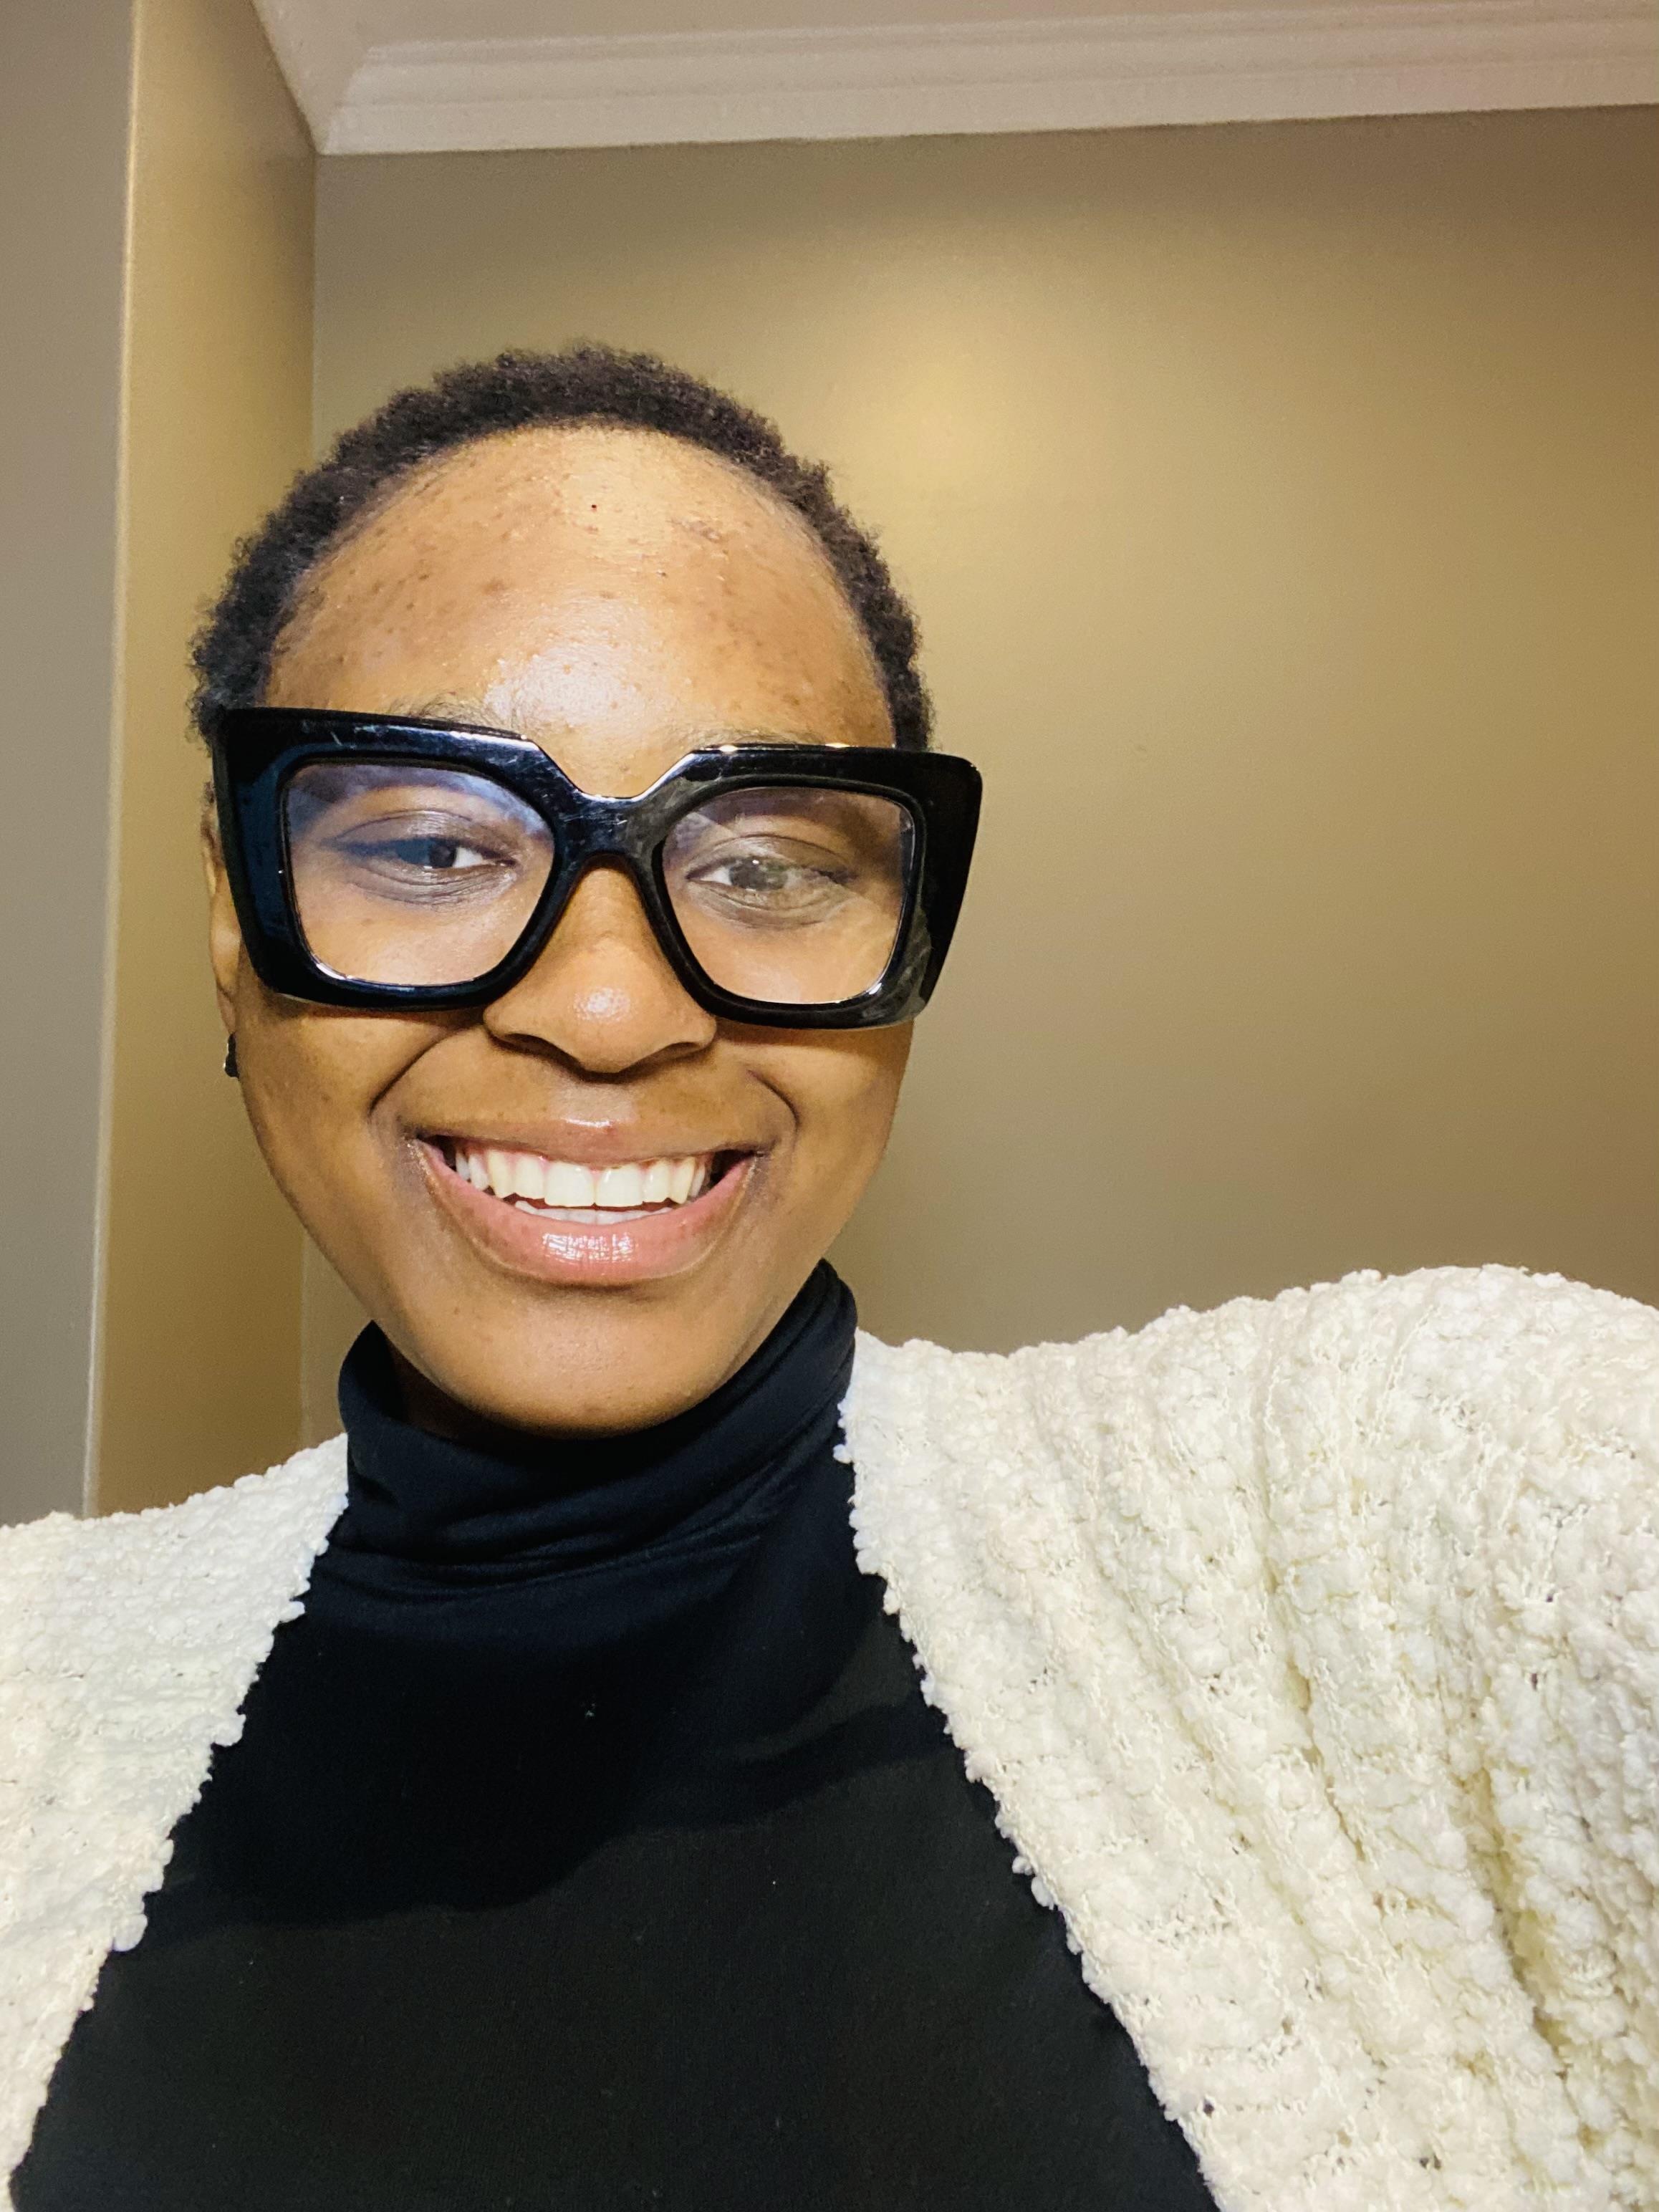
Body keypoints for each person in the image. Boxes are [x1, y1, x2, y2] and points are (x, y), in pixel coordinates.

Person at [0, 347, 1653, 2212]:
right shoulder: (22, 1701)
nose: (609, 1008)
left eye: (768, 866)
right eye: (437, 846)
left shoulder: (1360, 1522)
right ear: (236, 917)